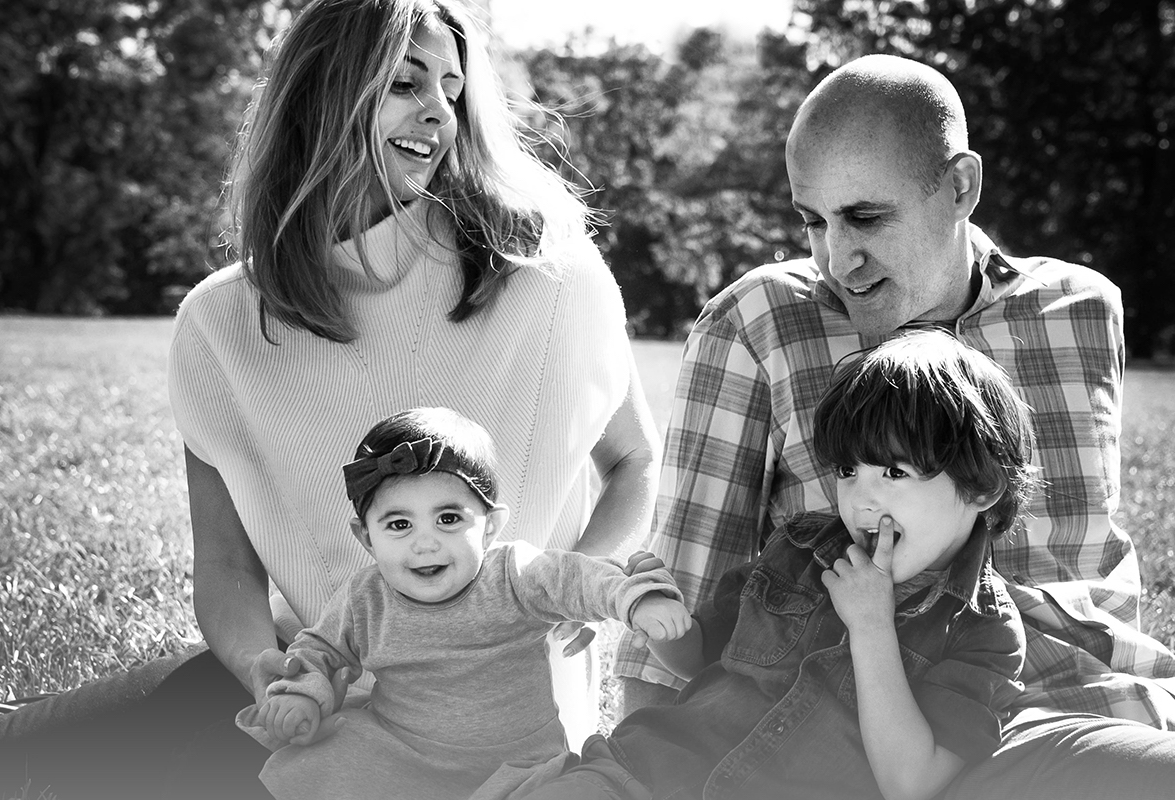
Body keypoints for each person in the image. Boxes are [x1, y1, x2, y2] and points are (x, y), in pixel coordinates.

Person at [0, 1, 659, 798]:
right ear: (320, 95)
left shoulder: (550, 277)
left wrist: (577, 586)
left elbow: (634, 461)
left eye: (451, 88)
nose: (438, 112)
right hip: (315, 690)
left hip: (495, 738)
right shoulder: (220, 321)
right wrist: (259, 668)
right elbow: (226, 566)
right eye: (404, 84)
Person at [614, 53, 1175, 798]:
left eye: (866, 217)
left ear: (960, 187)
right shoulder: (758, 322)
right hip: (866, 739)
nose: (837, 258)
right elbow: (684, 596)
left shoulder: (1081, 311)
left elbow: (1094, 563)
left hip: (1076, 715)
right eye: (813, 221)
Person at [522, 329, 1034, 800]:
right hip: (649, 772)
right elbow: (700, 657)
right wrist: (663, 624)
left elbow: (910, 782)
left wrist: (871, 626)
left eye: (894, 472)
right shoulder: (800, 548)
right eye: (848, 470)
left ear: (982, 486)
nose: (862, 499)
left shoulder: (985, 634)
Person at [235, 407, 690, 800]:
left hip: (518, 765)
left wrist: (637, 599)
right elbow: (320, 650)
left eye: (448, 518)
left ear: (490, 526)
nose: (425, 543)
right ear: (366, 537)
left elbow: (581, 577)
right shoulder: (365, 597)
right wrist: (301, 694)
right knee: (325, 761)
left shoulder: (515, 574)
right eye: (399, 525)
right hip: (399, 751)